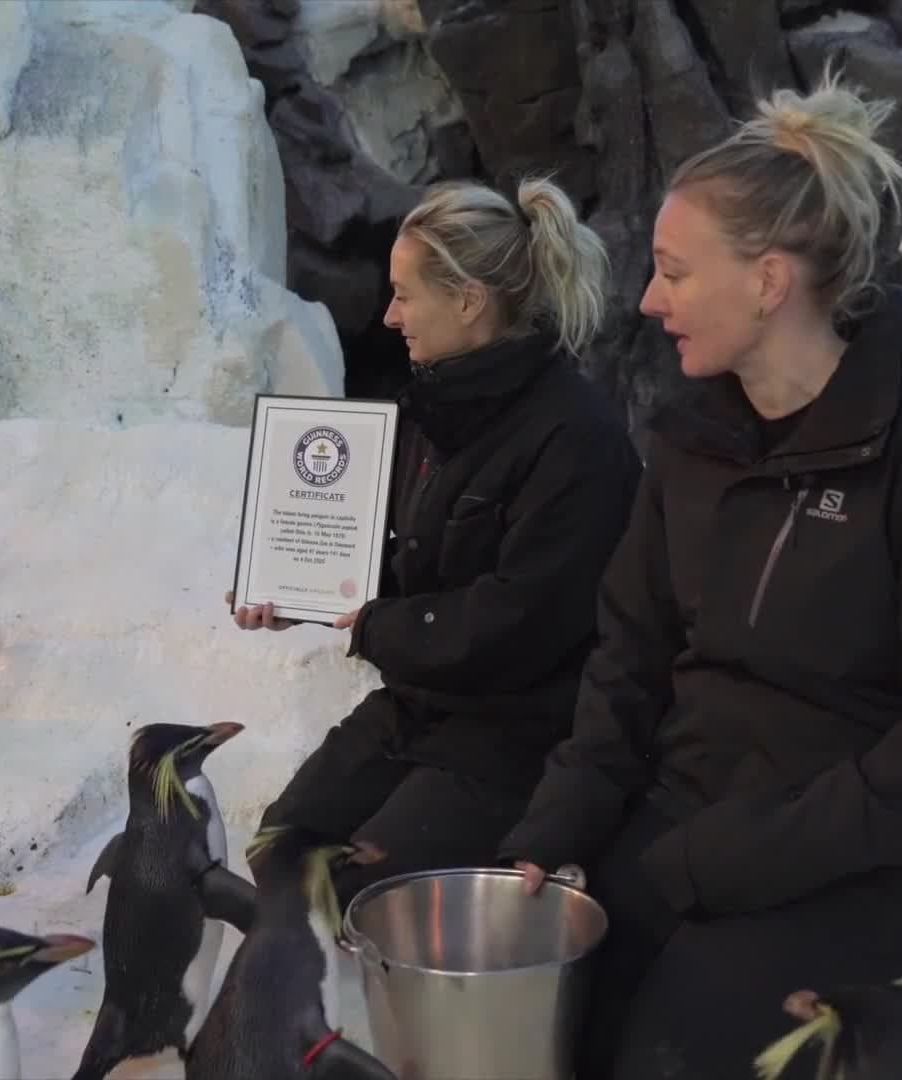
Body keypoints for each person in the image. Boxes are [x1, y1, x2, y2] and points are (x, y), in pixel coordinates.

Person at [494, 68, 902, 1079]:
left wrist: (722, 862)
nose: (649, 298)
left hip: (896, 857)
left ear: (768, 281)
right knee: (549, 1010)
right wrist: (557, 827)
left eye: (674, 271)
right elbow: (629, 657)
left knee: (669, 1052)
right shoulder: (692, 444)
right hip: (703, 817)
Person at [227, 176, 642, 903]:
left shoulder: (578, 441)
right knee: (281, 850)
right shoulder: (427, 411)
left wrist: (377, 623)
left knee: (367, 887)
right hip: (417, 705)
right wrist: (303, 587)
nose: (388, 316)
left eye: (404, 293)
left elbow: (523, 620)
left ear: (468, 300)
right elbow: (393, 558)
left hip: (518, 731)